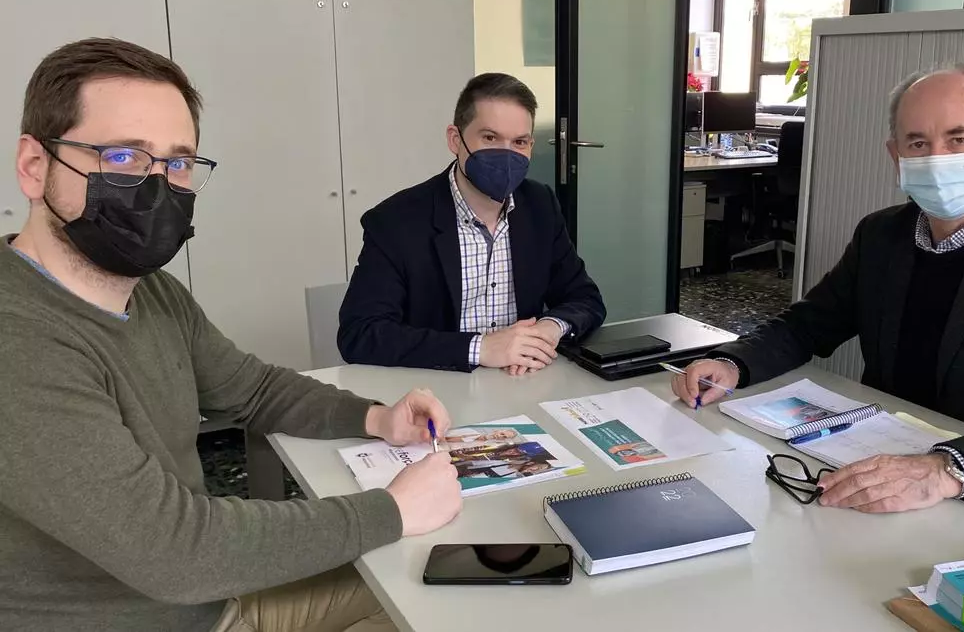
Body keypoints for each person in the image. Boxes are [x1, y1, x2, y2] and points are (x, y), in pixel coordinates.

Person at [0, 38, 465, 632]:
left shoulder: (152, 292)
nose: (158, 186)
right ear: (34, 166)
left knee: (443, 582)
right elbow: (175, 552)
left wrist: (378, 418)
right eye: (123, 156)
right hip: (162, 611)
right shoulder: (19, 342)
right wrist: (392, 510)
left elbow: (254, 389)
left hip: (209, 598)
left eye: (177, 164)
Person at [673, 63, 964, 513]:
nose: (937, 158)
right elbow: (808, 325)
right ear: (896, 155)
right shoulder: (881, 235)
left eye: (958, 139)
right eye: (917, 143)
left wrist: (947, 470)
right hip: (880, 468)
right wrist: (733, 363)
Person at [338, 73, 606, 375]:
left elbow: (585, 298)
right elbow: (360, 333)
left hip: (523, 381)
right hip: (435, 388)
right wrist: (481, 348)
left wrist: (549, 329)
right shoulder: (396, 221)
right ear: (455, 139)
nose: (506, 155)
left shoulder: (540, 206)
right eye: (490, 138)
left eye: (519, 142)